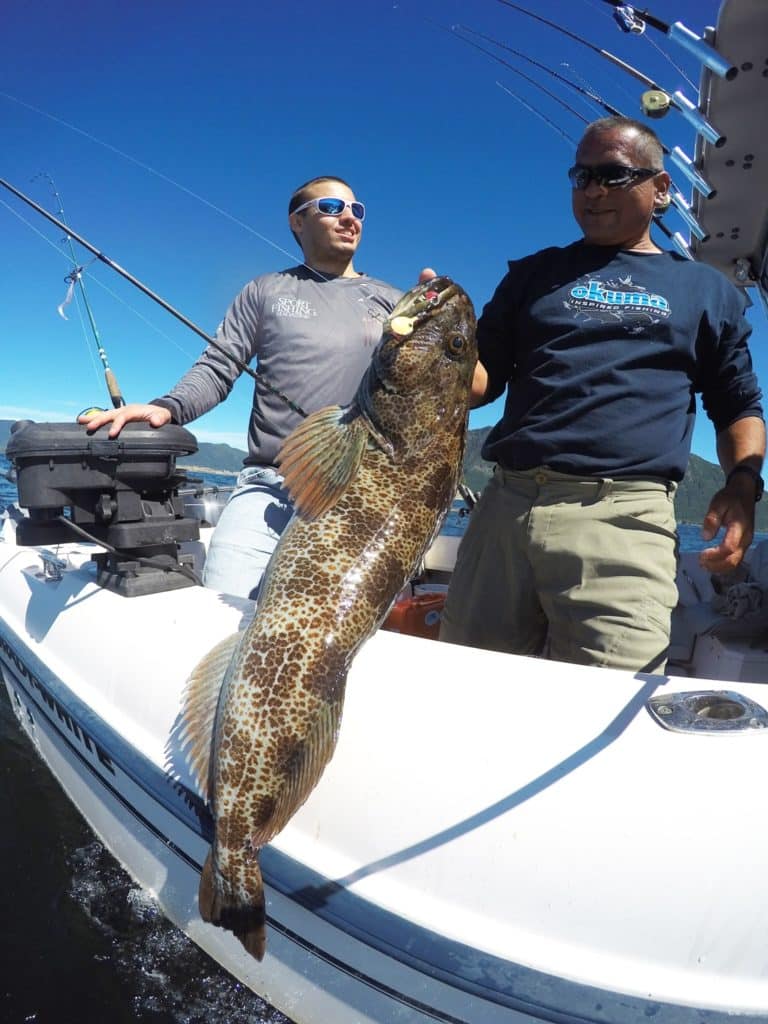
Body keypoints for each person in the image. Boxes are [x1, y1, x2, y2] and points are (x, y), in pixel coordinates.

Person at [440, 116, 765, 674]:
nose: (592, 190)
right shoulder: (533, 274)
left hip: (624, 520)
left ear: (661, 190)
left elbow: (737, 405)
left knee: (608, 698)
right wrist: (429, 341)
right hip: (505, 510)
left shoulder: (705, 290)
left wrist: (741, 486)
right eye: (581, 175)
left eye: (612, 175)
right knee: (466, 687)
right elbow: (481, 382)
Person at [80, 176, 406, 600]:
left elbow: (438, 390)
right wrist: (168, 406)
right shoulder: (265, 291)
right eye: (331, 207)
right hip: (269, 484)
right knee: (221, 607)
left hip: (359, 493)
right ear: (297, 222)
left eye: (356, 210)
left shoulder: (394, 303)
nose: (349, 218)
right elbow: (218, 366)